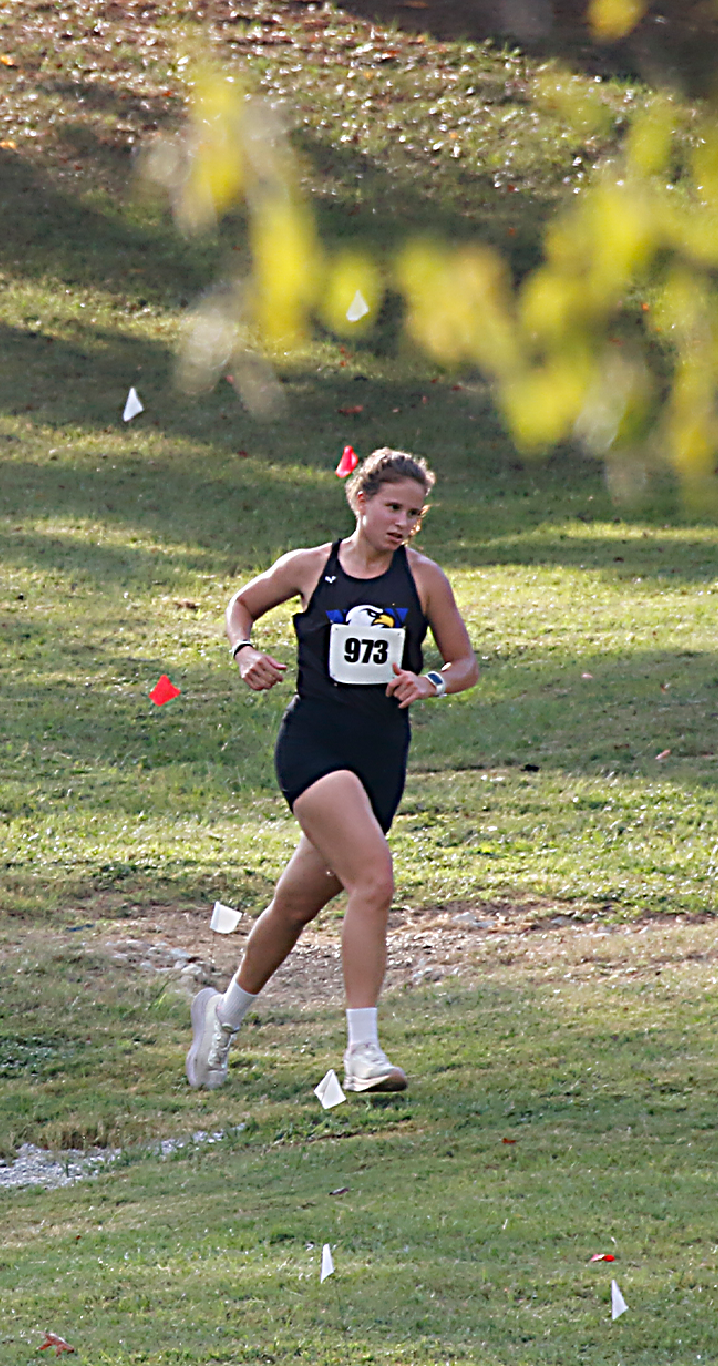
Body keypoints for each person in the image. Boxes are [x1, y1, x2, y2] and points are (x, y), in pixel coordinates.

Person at [187, 448, 477, 1094]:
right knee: (372, 881)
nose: (402, 522)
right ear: (361, 502)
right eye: (392, 508)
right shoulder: (309, 567)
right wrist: (243, 651)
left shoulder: (424, 579)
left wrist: (429, 683)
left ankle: (220, 1018)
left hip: (381, 756)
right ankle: (364, 1053)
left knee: (293, 907)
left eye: (415, 514)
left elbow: (464, 664)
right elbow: (241, 604)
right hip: (315, 746)